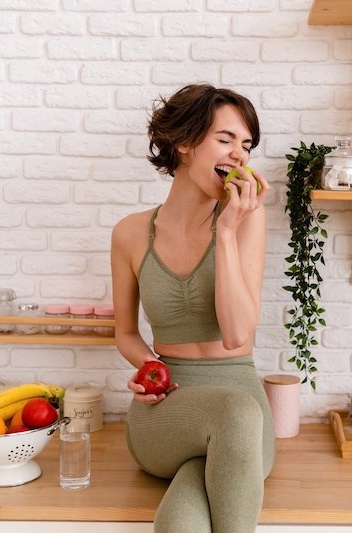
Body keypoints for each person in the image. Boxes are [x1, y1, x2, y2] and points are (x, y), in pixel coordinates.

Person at [110, 83, 275, 533]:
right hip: (168, 411)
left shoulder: (246, 218)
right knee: (234, 414)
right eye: (225, 140)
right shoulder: (129, 233)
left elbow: (237, 334)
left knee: (182, 518)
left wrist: (226, 233)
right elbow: (125, 332)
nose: (239, 154)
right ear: (184, 143)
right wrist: (149, 371)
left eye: (246, 144)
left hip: (240, 413)